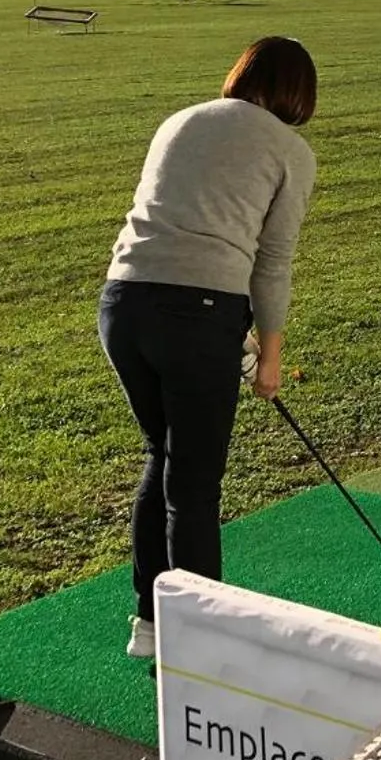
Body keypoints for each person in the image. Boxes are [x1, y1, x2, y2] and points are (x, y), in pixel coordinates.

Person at [101, 36, 318, 656]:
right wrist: (269, 357)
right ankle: (200, 644)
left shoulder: (180, 120)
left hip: (123, 306)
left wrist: (225, 323)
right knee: (194, 482)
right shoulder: (291, 152)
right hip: (195, 313)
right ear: (300, 95)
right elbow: (271, 264)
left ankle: (150, 623)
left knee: (163, 453)